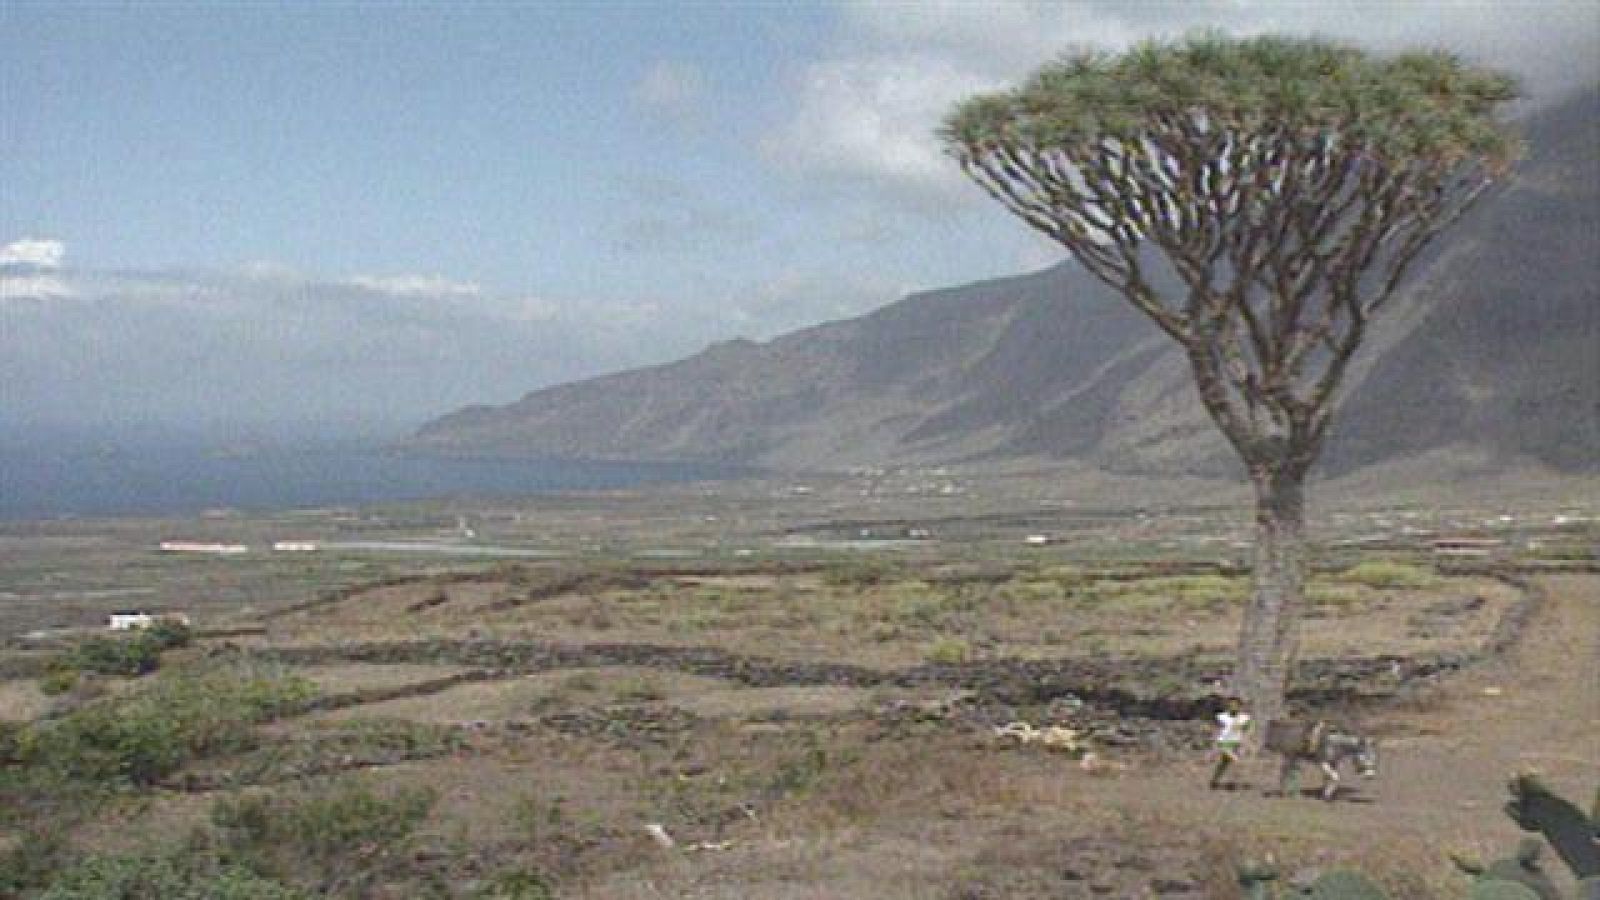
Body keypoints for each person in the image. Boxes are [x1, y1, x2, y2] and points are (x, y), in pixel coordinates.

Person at [1210, 697, 1251, 789]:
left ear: (1240, 706)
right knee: (1235, 761)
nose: (1233, 707)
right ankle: (1233, 782)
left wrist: (1246, 744)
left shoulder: (1244, 718)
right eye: (1231, 705)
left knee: (1224, 763)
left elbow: (1247, 731)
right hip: (1224, 744)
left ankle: (1215, 780)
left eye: (1235, 705)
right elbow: (1216, 731)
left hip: (1236, 743)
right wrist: (1214, 745)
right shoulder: (1221, 717)